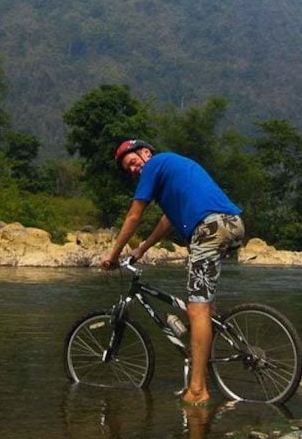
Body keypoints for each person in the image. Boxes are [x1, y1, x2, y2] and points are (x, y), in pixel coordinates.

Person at [101, 140, 245, 407]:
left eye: (132, 162)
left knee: (196, 309)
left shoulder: (154, 164)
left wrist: (113, 254)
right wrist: (141, 249)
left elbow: (134, 216)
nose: (133, 169)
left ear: (145, 153)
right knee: (204, 305)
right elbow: (167, 221)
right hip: (231, 225)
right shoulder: (171, 170)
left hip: (209, 229)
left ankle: (198, 390)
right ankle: (203, 352)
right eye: (128, 169)